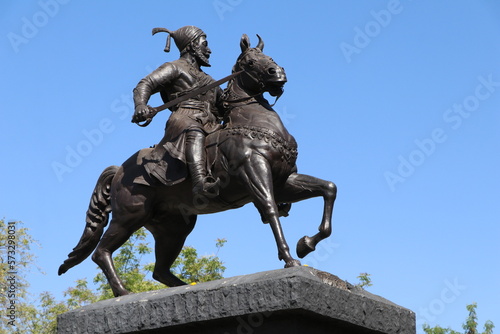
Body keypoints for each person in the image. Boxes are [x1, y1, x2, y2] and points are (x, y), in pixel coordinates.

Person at [132, 26, 222, 196]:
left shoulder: (211, 81)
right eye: (205, 44)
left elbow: (224, 106)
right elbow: (145, 84)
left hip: (210, 122)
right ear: (192, 45)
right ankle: (200, 182)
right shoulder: (174, 67)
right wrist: (140, 105)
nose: (209, 50)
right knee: (194, 131)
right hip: (184, 118)